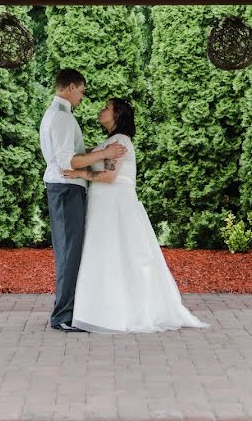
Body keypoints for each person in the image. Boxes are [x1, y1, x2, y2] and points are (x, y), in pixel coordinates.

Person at [63, 98, 209, 334]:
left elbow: (109, 177)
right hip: (104, 204)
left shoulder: (120, 141)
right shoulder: (109, 142)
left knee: (116, 254)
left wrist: (78, 173)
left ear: (118, 114)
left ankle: (113, 312)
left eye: (106, 108)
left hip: (114, 206)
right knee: (109, 254)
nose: (101, 110)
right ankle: (102, 309)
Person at [39, 69, 127, 332]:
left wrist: (99, 152)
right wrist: (106, 152)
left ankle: (66, 310)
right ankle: (63, 316)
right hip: (67, 188)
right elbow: (69, 161)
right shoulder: (63, 118)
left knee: (69, 251)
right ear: (72, 87)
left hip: (62, 188)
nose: (82, 97)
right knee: (69, 253)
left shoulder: (53, 114)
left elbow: (71, 154)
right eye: (82, 91)